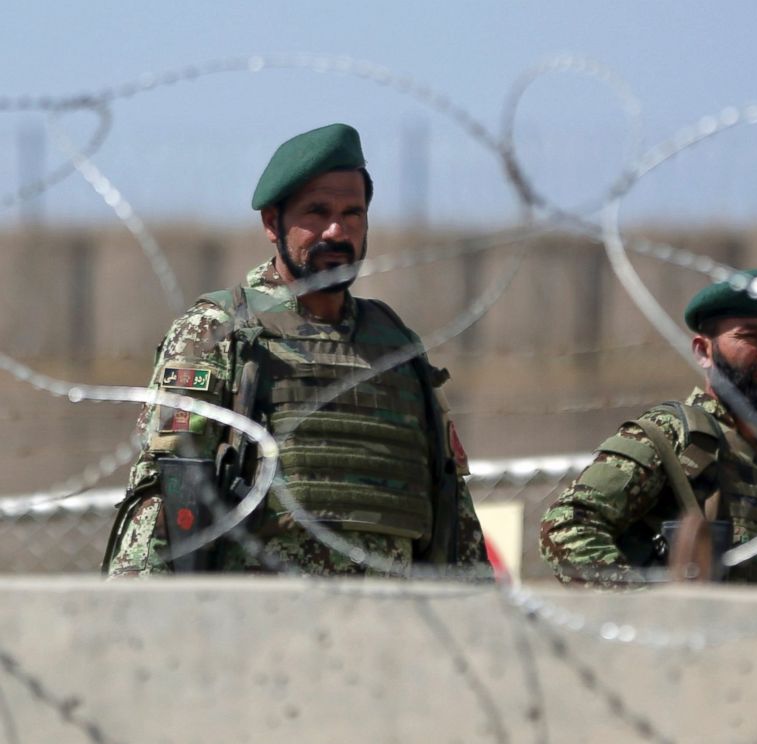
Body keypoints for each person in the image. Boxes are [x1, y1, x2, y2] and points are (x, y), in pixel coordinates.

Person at [104, 123, 491, 578]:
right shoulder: (219, 331)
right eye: (316, 212)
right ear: (273, 223)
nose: (337, 230)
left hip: (393, 627)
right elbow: (167, 493)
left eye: (352, 213)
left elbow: (450, 505)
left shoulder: (396, 345)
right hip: (265, 624)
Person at [539, 268, 757, 587]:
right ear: (703, 351)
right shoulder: (670, 436)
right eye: (750, 337)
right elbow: (567, 525)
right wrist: (649, 613)